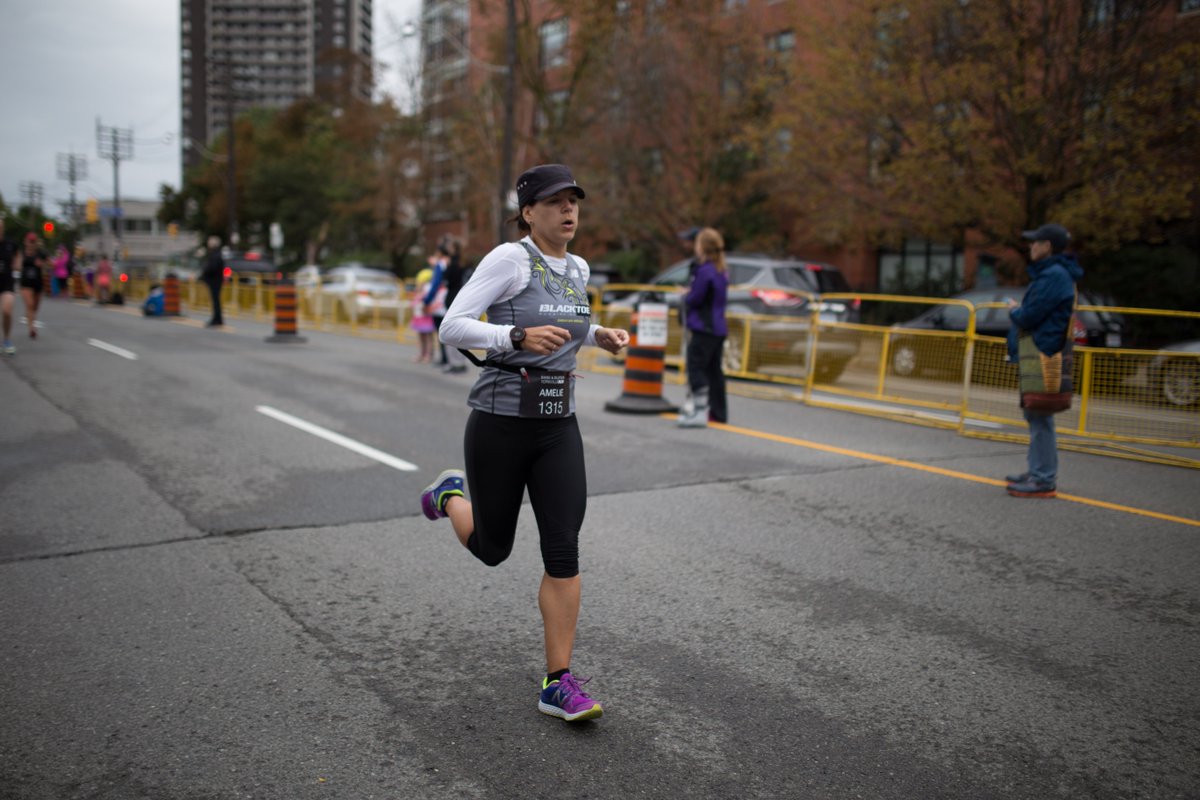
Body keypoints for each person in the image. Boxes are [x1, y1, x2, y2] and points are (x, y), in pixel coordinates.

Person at [421, 163, 629, 723]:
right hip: (500, 421)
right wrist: (513, 334)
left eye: (574, 201)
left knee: (563, 548)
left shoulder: (578, 267)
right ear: (528, 212)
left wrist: (599, 333)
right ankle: (450, 495)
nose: (568, 210)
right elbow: (452, 325)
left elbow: (569, 318)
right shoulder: (509, 259)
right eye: (556, 202)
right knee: (493, 549)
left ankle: (557, 682)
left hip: (558, 424)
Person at [1004, 222, 1081, 499]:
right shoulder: (1055, 274)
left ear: (1047, 246)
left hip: (1042, 350)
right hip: (1041, 348)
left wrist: (1015, 311)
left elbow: (1029, 316)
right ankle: (1037, 470)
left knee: (1040, 414)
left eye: (1035, 242)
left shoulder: (1053, 276)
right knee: (1035, 414)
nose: (1031, 246)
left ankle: (1043, 478)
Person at [677, 227, 730, 427]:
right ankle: (718, 412)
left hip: (703, 327)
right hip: (718, 327)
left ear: (703, 247)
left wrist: (686, 295)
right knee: (715, 371)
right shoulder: (721, 270)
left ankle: (699, 412)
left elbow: (696, 298)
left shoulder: (705, 270)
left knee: (696, 368)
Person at [439, 238, 469, 373]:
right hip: (464, 298)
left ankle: (453, 363)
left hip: (452, 298)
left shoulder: (452, 262)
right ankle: (462, 362)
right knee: (462, 332)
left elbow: (446, 278)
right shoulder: (466, 262)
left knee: (451, 331)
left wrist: (444, 267)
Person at [15, 233, 46, 339]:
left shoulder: (41, 253)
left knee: (35, 307)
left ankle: (30, 317)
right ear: (25, 241)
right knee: (30, 305)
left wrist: (42, 264)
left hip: (38, 283)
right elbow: (16, 265)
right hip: (25, 283)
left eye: (33, 242)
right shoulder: (21, 253)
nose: (31, 244)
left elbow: (51, 265)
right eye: (30, 241)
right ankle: (31, 328)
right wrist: (18, 265)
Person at [410, 263, 439, 362]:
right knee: (421, 336)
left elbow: (429, 302)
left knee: (428, 337)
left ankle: (428, 354)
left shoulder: (428, 289)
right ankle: (422, 353)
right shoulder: (419, 290)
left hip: (426, 316)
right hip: (418, 317)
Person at [0, 220, 17, 354]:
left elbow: (18, 254)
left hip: (6, 283)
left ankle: (6, 339)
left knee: (7, 310)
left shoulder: (10, 244)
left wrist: (17, 264)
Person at [202, 236, 225, 327]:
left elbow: (212, 268)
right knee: (215, 300)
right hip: (216, 280)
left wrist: (205, 272)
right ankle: (217, 318)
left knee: (216, 300)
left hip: (215, 281)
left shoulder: (215, 255)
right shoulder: (216, 254)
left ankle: (217, 319)